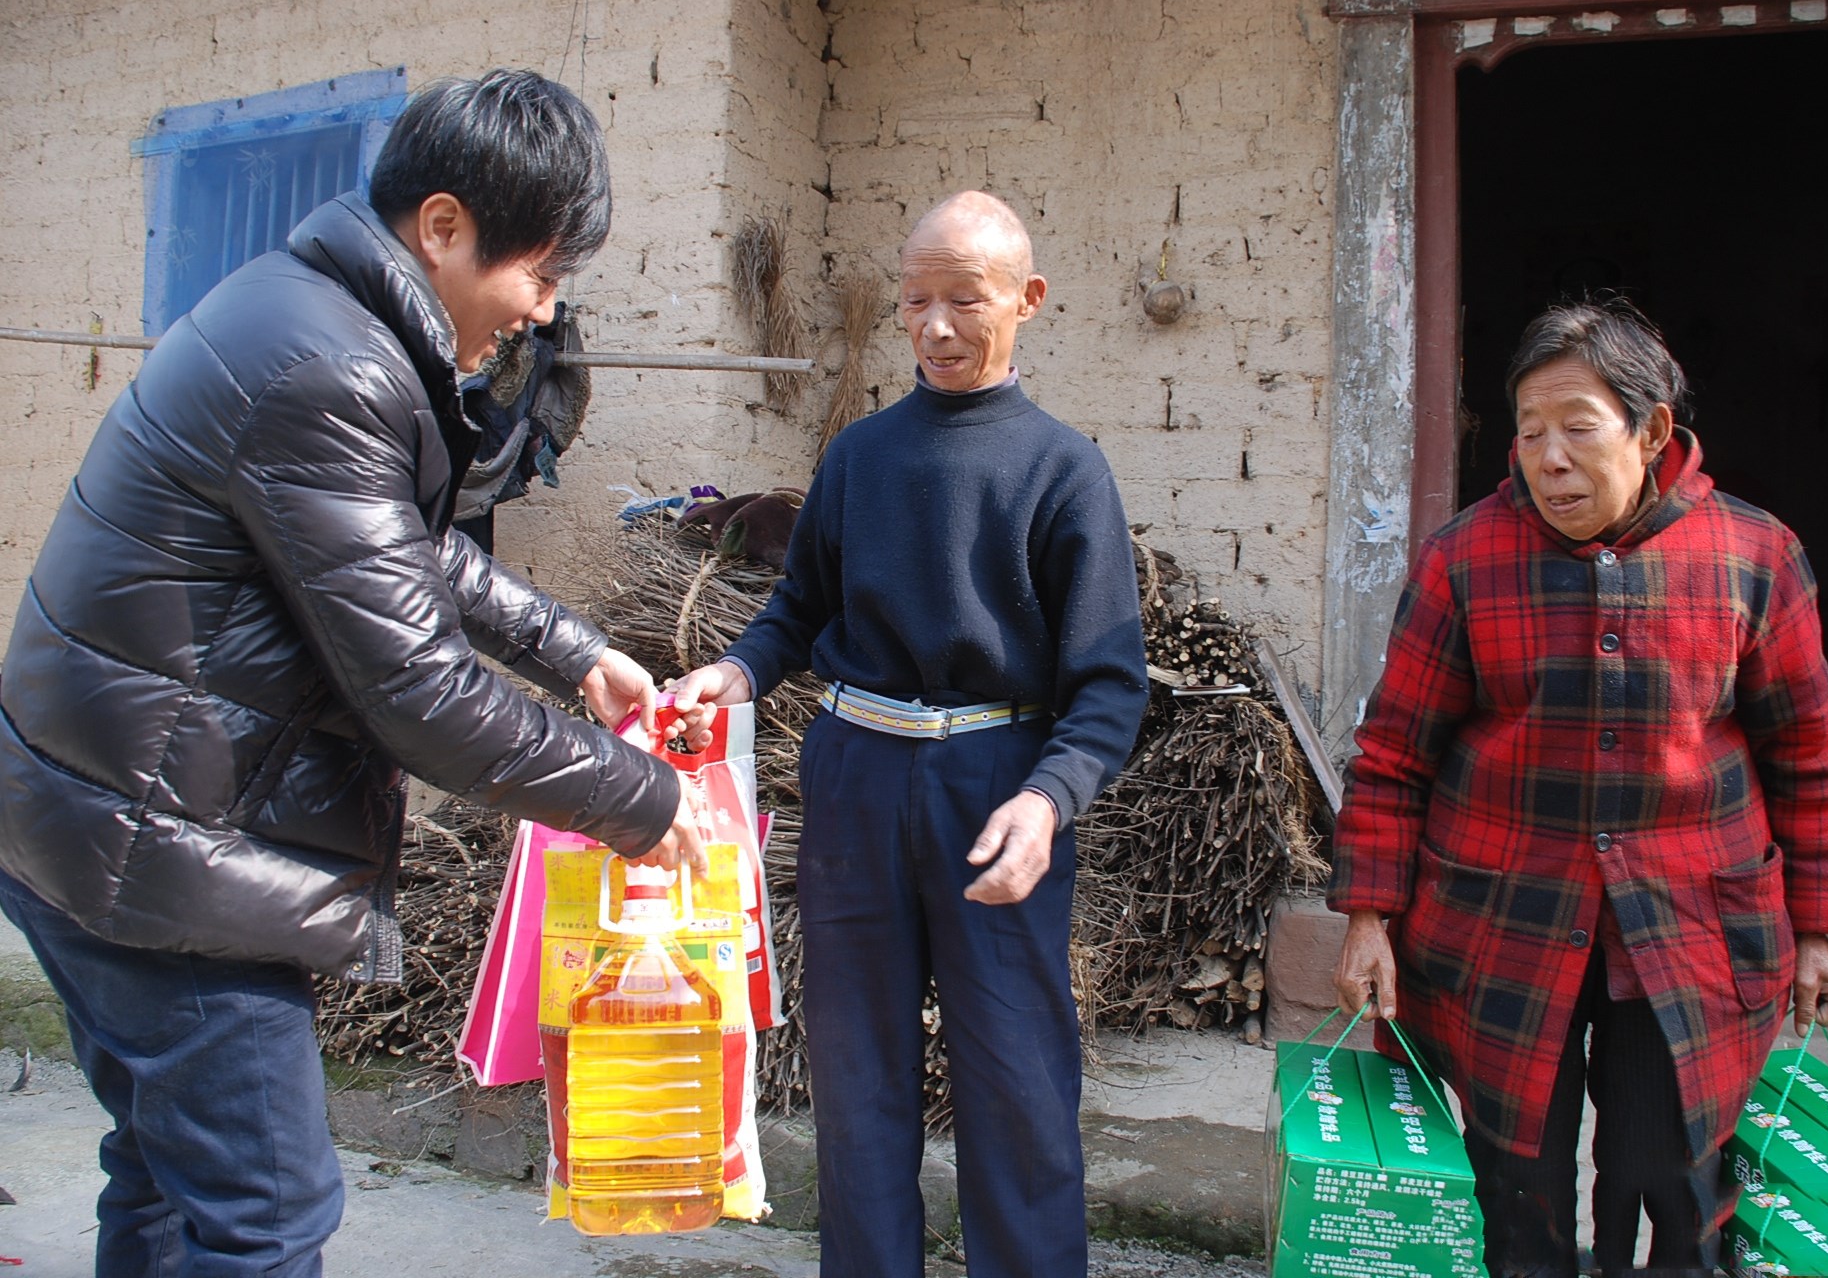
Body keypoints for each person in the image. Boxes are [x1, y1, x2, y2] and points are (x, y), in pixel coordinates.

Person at [0, 69, 706, 1276]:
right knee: (266, 1217)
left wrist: (574, 651)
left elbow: (406, 546)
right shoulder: (330, 364)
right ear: (441, 229)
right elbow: (420, 694)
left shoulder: (304, 314)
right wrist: (640, 801)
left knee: (167, 1180)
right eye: (536, 274)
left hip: (100, 817)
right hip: (167, 862)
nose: (540, 312)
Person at [1329, 300, 1828, 1278]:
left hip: (1693, 921)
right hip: (1502, 920)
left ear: (1652, 430)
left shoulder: (1753, 558)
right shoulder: (1466, 558)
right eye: (1530, 433)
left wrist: (1818, 929)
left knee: (1670, 1182)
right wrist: (1367, 914)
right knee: (1515, 1183)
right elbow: (1394, 754)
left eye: (1578, 426)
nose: (1549, 457)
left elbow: (1808, 758)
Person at [674, 191, 1149, 1278]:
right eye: (916, 301)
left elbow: (1109, 685)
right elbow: (800, 608)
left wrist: (1047, 800)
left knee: (1018, 1079)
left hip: (998, 786)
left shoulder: (1064, 470)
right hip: (854, 779)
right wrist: (738, 669)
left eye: (964, 301)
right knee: (856, 1075)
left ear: (1025, 302)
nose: (935, 326)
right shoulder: (859, 457)